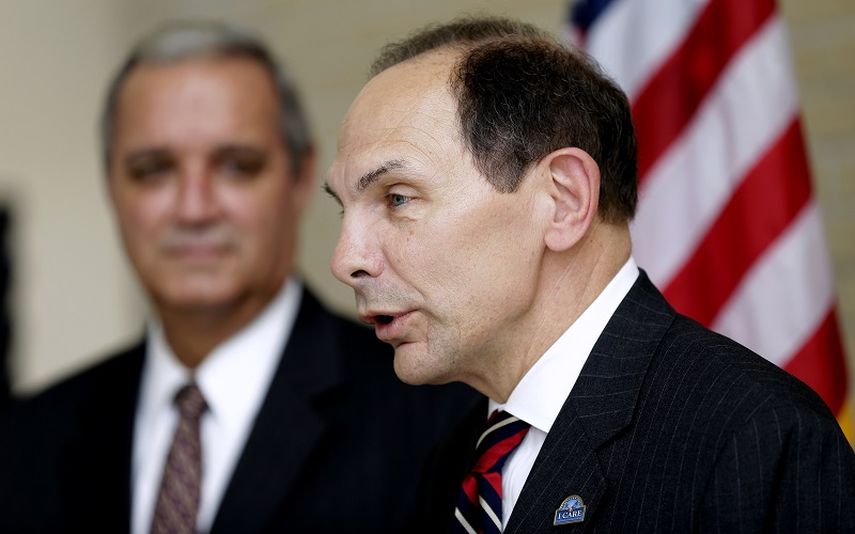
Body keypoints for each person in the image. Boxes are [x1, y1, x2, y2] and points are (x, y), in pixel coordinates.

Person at [325, 16, 855, 533]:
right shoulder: (455, 456)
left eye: (397, 199)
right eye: (344, 209)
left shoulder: (756, 441)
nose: (346, 259)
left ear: (563, 201)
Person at [0, 20, 475, 533]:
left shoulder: (441, 420)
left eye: (236, 166)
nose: (194, 208)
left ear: (299, 179)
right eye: (153, 169)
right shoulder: (24, 440)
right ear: (112, 187)